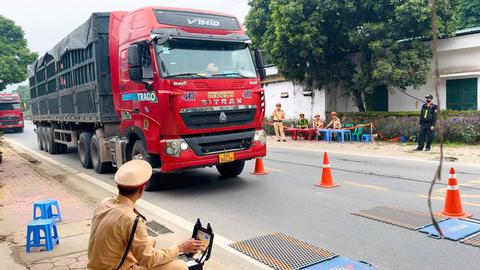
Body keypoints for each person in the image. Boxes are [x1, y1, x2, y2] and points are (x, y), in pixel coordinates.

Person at [87, 160, 203, 270]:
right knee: (180, 266)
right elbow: (149, 260)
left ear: (118, 186)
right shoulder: (132, 220)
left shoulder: (105, 203)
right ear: (142, 189)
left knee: (151, 240)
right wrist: (180, 247)